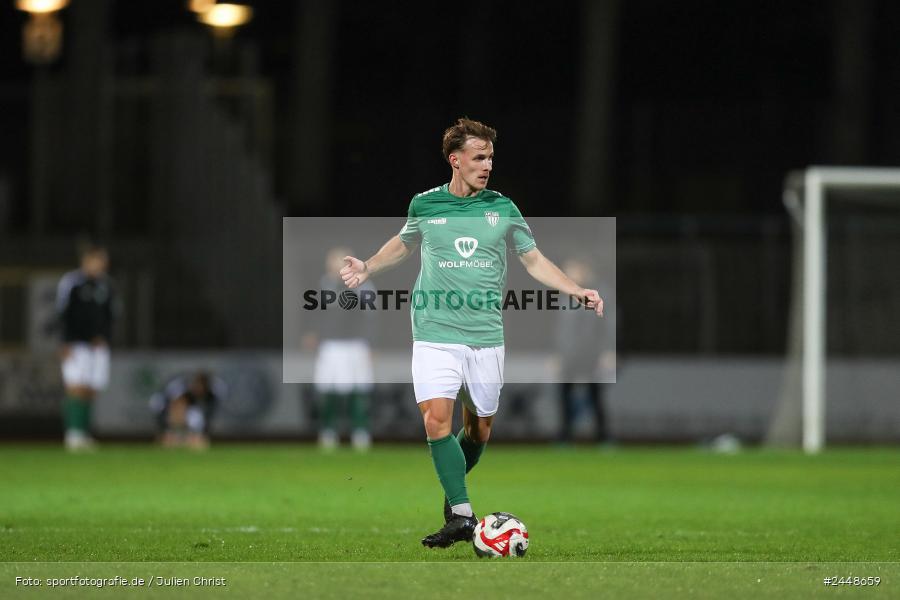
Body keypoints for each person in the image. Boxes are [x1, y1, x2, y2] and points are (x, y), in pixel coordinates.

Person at [340, 117, 604, 548]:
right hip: (434, 330)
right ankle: (462, 515)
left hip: (485, 335)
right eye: (479, 158)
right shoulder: (425, 205)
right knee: (436, 420)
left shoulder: (503, 208)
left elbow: (533, 260)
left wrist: (574, 289)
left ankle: (453, 491)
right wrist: (367, 266)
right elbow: (404, 243)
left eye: (491, 158)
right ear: (455, 160)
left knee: (479, 430)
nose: (487, 165)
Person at [304, 247, 376, 451]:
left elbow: (371, 318)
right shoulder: (324, 285)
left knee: (359, 389)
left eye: (339, 265)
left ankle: (360, 432)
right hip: (331, 346)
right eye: (332, 265)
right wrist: (311, 333)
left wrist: (371, 343)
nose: (335, 269)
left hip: (356, 345)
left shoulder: (363, 285)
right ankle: (328, 432)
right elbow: (314, 313)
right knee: (328, 390)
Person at [56, 241, 117, 451]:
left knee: (91, 388)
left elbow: (111, 316)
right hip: (76, 344)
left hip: (98, 347)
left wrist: (105, 337)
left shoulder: (106, 285)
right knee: (76, 387)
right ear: (86, 260)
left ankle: (83, 433)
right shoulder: (72, 283)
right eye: (97, 260)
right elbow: (63, 314)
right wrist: (64, 342)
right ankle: (72, 434)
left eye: (103, 261)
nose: (100, 264)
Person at [553, 258, 616, 444]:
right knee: (564, 395)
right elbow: (561, 327)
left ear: (584, 269)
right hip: (570, 354)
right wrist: (558, 353)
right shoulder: (566, 294)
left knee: (595, 394)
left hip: (591, 353)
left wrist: (608, 350)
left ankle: (603, 437)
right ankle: (565, 436)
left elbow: (609, 323)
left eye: (571, 270)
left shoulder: (601, 293)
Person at [150, 371, 227, 449]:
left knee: (198, 442)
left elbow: (202, 439)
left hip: (188, 428)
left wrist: (196, 437)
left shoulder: (194, 414)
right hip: (167, 419)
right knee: (168, 440)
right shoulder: (177, 391)